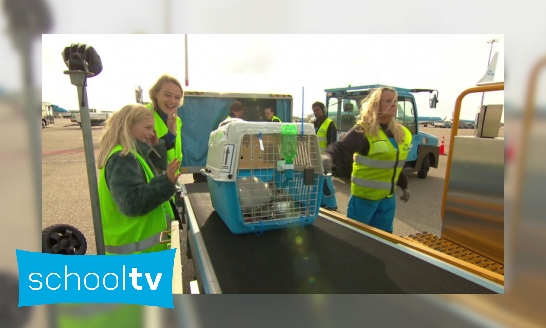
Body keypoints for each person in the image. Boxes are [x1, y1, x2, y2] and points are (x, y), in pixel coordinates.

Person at [321, 87, 411, 233]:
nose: (394, 104)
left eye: (395, 101)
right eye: (388, 101)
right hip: (364, 200)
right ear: (376, 104)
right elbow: (342, 147)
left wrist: (404, 185)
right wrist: (328, 156)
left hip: (387, 200)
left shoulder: (401, 133)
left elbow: (394, 163)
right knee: (356, 239)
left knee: (384, 241)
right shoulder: (364, 130)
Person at [96, 104, 182, 255]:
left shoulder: (133, 155)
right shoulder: (123, 159)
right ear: (128, 126)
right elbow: (132, 203)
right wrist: (166, 183)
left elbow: (150, 173)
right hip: (136, 256)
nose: (152, 133)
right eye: (148, 128)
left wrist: (156, 146)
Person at [147, 74, 184, 174]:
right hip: (153, 179)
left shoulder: (177, 121)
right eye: (167, 95)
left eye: (177, 97)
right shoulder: (142, 115)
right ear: (156, 93)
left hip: (170, 179)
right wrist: (170, 136)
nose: (172, 101)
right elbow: (144, 152)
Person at [312, 101, 338, 210]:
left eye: (317, 110)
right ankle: (322, 202)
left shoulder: (329, 123)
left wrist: (330, 159)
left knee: (327, 182)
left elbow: (332, 143)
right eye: (314, 111)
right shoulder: (315, 123)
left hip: (326, 159)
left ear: (324, 110)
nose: (315, 112)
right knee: (319, 181)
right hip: (316, 158)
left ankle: (332, 204)